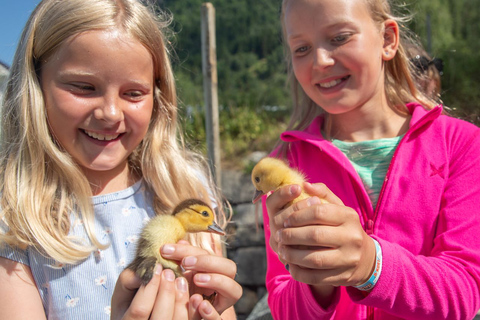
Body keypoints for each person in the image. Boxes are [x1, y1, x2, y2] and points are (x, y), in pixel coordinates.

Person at [0, 0, 241, 319]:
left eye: (133, 93)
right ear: (36, 84)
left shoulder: (184, 186)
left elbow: (221, 310)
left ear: (158, 95)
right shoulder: (12, 216)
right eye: (84, 87)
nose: (110, 113)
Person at [260, 0, 480, 319]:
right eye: (302, 48)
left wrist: (369, 264)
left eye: (339, 38)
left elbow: (465, 291)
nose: (320, 60)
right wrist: (316, 280)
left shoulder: (461, 144)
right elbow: (283, 305)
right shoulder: (284, 164)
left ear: (388, 40)